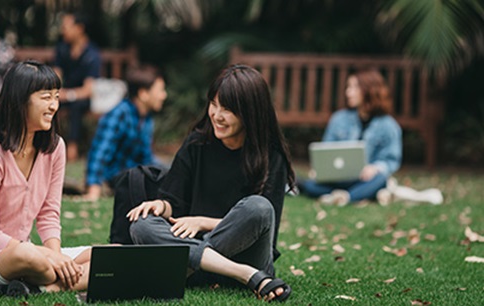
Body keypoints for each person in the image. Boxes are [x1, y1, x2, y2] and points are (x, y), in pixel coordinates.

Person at [127, 64, 295, 302]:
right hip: (231, 265)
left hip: (248, 254)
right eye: (213, 104)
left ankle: (185, 268)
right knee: (141, 224)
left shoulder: (271, 154)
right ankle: (245, 276)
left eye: (227, 109)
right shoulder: (197, 143)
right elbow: (174, 202)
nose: (216, 115)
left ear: (250, 113)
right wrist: (159, 206)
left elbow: (265, 222)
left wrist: (201, 222)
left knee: (258, 207)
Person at [0, 61, 92, 297]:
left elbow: (48, 215)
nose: (54, 105)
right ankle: (60, 279)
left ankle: (41, 286)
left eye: (56, 96)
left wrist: (55, 255)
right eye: (46, 97)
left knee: (109, 255)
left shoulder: (55, 149)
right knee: (26, 256)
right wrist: (51, 258)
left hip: (30, 253)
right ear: (20, 101)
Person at [298, 68, 402, 206]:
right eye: (348, 87)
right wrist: (321, 170)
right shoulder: (339, 119)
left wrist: (374, 168)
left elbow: (391, 161)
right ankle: (360, 194)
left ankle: (346, 198)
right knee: (311, 185)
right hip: (339, 179)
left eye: (354, 87)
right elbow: (326, 152)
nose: (348, 92)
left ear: (369, 90)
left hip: (366, 179)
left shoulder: (389, 126)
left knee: (380, 179)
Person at [82, 64, 168, 202]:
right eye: (160, 91)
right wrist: (93, 188)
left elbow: (147, 158)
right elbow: (99, 152)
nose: (164, 95)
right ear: (143, 94)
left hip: (138, 172)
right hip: (118, 177)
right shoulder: (119, 114)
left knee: (171, 170)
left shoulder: (146, 118)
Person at [53, 12, 102, 161]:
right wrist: (55, 92)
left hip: (83, 98)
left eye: (66, 27)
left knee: (76, 105)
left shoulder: (92, 54)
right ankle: (48, 146)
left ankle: (72, 147)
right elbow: (56, 77)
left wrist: (66, 94)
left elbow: (88, 90)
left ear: (79, 28)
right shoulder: (62, 50)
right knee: (50, 103)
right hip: (65, 95)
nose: (63, 31)